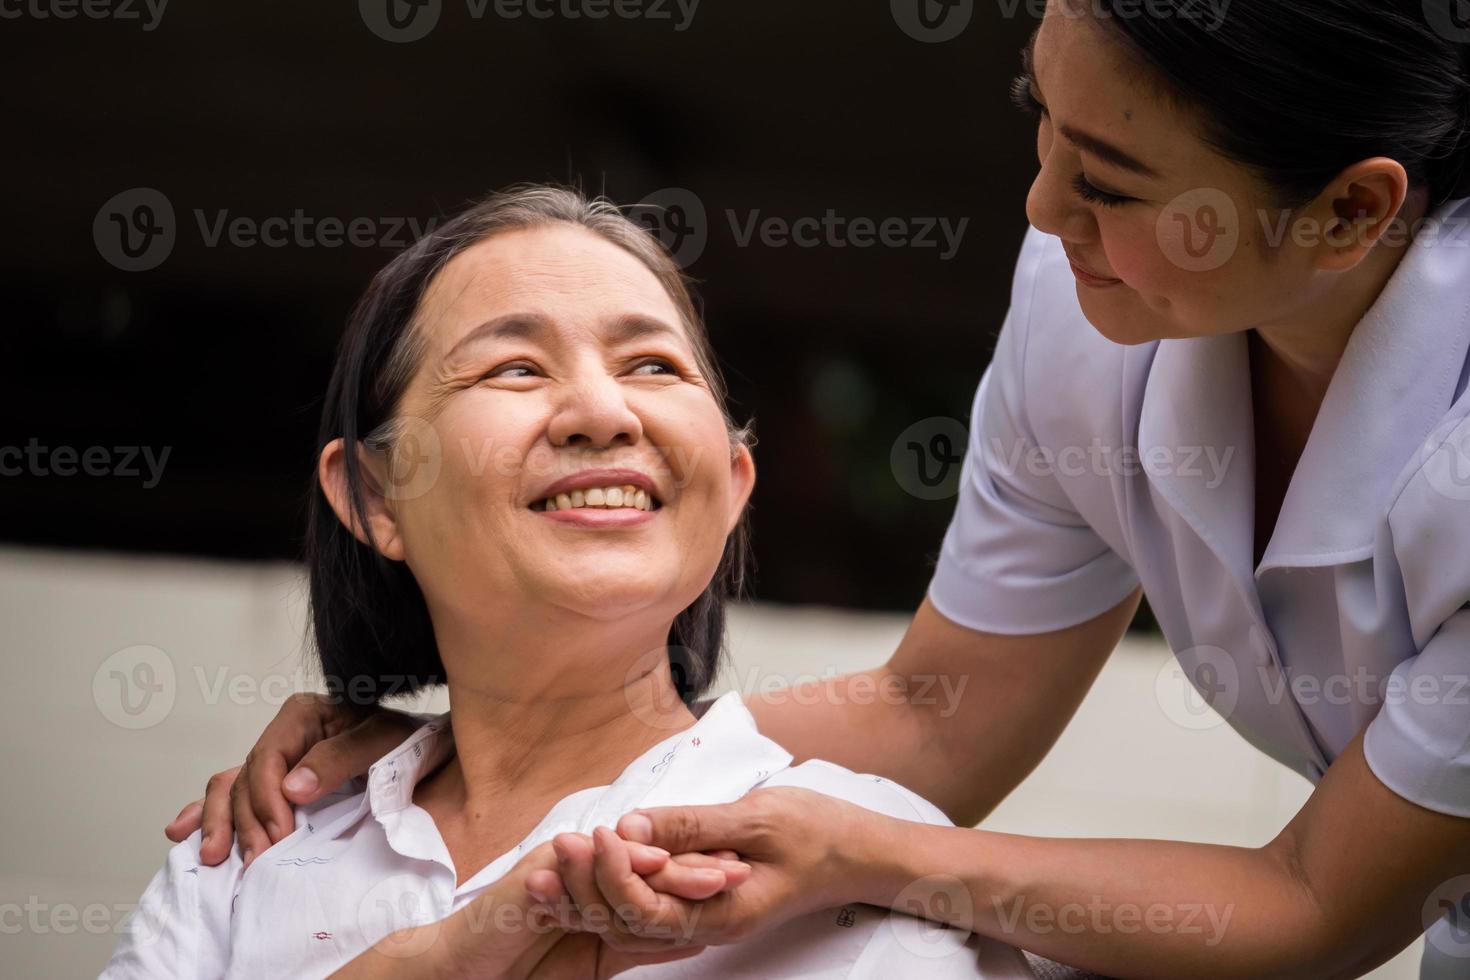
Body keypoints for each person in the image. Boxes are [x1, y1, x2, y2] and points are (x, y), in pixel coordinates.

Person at [170, 1, 1470, 975]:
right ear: (368, 496)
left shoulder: (871, 938)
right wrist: (490, 747)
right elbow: (932, 714)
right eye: (1043, 125)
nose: (1037, 210)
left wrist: (868, 853)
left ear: (1350, 214)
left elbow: (1316, 903)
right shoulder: (238, 871)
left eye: (1108, 186)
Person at [104, 186, 1033, 978]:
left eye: (654, 365)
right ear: (375, 495)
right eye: (515, 367)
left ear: (731, 486)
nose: (602, 411)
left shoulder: (861, 855)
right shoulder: (246, 853)